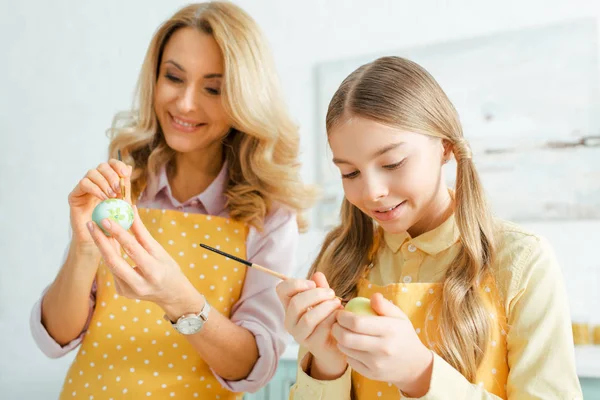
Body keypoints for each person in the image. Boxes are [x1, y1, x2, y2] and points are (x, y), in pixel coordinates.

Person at [30, 2, 315, 399]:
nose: (184, 103)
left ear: (244, 100)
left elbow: (254, 368)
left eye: (213, 88)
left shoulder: (269, 217)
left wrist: (178, 299)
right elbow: (56, 337)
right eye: (174, 78)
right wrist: (83, 250)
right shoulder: (123, 185)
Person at [277, 56, 582, 399]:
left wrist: (419, 373)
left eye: (392, 163)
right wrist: (326, 365)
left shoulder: (522, 260)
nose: (371, 191)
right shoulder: (341, 260)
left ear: (445, 147)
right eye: (350, 173)